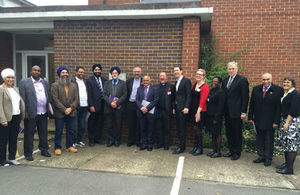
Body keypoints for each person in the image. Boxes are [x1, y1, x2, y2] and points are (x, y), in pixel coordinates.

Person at [248, 73, 283, 166]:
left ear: (271, 80)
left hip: (270, 121)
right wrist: (250, 116)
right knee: (259, 139)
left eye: (267, 79)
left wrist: (276, 121)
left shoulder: (278, 90)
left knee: (269, 140)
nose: (265, 81)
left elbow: (279, 108)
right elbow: (252, 104)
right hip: (258, 119)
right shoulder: (256, 89)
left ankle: (268, 158)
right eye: (263, 79)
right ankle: (261, 156)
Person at [19, 65, 51, 161]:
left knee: (43, 132)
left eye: (38, 70)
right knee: (29, 134)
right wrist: (25, 113)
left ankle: (44, 149)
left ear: (40, 72)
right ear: (31, 71)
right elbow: (22, 99)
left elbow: (47, 95)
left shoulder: (44, 82)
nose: (36, 72)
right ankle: (28, 153)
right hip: (31, 113)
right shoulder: (24, 82)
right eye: (34, 70)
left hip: (43, 112)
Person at [222, 61, 249, 160]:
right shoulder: (225, 81)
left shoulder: (242, 80)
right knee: (229, 132)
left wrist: (243, 111)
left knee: (236, 133)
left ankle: (237, 152)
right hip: (227, 111)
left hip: (237, 112)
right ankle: (231, 150)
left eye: (233, 68)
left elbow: (245, 97)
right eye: (229, 69)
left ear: (237, 69)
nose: (231, 70)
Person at [51, 67, 79, 155]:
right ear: (59, 74)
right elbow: (55, 99)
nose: (65, 74)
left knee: (71, 130)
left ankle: (70, 145)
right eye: (63, 72)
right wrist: (64, 109)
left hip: (72, 112)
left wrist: (71, 108)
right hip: (60, 113)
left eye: (66, 72)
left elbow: (76, 99)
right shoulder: (55, 85)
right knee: (59, 130)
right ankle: (57, 147)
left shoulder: (73, 85)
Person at [0, 68, 25, 166]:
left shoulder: (15, 89)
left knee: (13, 139)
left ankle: (12, 158)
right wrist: (2, 119)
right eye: (8, 77)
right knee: (3, 140)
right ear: (4, 78)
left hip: (16, 117)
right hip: (6, 119)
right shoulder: (1, 89)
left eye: (12, 77)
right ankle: (2, 160)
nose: (10, 79)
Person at [276, 76, 300, 175]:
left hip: (292, 122)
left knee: (291, 145)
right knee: (286, 143)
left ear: (292, 84)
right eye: (284, 82)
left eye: (288, 83)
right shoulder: (286, 93)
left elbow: (294, 109)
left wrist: (287, 122)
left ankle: (289, 169)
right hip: (285, 120)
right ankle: (287, 164)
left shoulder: (295, 94)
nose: (285, 84)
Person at [103, 67, 127, 147]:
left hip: (118, 107)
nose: (114, 74)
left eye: (116, 73)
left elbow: (125, 95)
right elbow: (104, 95)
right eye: (113, 73)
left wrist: (117, 103)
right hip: (108, 107)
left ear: (118, 74)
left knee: (118, 124)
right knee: (109, 125)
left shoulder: (123, 83)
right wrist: (110, 103)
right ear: (111, 74)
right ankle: (110, 140)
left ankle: (117, 140)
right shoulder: (107, 83)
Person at [189, 69, 210, 156]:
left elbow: (202, 101)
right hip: (193, 110)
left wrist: (198, 113)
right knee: (195, 129)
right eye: (197, 74)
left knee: (198, 130)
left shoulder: (205, 87)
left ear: (203, 76)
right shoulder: (194, 84)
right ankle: (195, 147)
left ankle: (200, 149)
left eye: (200, 75)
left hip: (200, 111)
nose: (198, 75)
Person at [86, 64, 107, 146]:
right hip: (93, 106)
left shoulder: (104, 80)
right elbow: (89, 94)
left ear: (101, 71)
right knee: (92, 123)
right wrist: (91, 105)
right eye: (96, 70)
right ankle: (91, 140)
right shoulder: (89, 81)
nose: (97, 71)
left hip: (102, 105)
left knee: (100, 123)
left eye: (99, 70)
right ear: (93, 71)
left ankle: (98, 139)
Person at [136, 75, 158, 151]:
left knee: (150, 129)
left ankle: (150, 144)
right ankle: (143, 144)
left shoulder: (154, 89)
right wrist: (142, 108)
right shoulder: (139, 89)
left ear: (150, 81)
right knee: (143, 129)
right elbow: (137, 100)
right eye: (144, 80)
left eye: (147, 80)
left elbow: (155, 100)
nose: (145, 82)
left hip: (150, 112)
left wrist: (147, 108)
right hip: (141, 112)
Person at [172, 66, 191, 154]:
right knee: (178, 128)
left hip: (183, 109)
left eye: (177, 70)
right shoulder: (176, 82)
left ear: (181, 71)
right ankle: (180, 145)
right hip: (177, 108)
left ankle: (182, 147)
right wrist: (173, 107)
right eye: (174, 71)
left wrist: (187, 107)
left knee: (182, 128)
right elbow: (176, 96)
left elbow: (188, 95)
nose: (176, 72)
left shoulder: (186, 81)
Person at [206, 77, 225, 158]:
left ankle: (218, 152)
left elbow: (220, 107)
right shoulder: (212, 91)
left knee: (217, 134)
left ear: (219, 83)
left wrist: (216, 118)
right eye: (213, 81)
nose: (213, 82)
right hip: (210, 116)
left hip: (216, 117)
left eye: (216, 81)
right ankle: (214, 150)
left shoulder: (221, 92)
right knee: (213, 134)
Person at [155, 72, 174, 150]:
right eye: (160, 76)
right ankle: (159, 143)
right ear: (159, 78)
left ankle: (166, 144)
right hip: (158, 111)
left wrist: (173, 108)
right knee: (158, 128)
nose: (162, 77)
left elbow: (173, 99)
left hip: (167, 111)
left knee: (167, 128)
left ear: (166, 77)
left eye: (163, 76)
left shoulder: (171, 87)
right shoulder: (156, 87)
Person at [71, 66, 88, 147]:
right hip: (76, 106)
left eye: (83, 72)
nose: (82, 74)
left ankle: (79, 140)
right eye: (80, 72)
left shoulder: (85, 81)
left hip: (85, 106)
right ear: (76, 72)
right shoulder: (72, 81)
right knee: (74, 125)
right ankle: (73, 141)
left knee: (82, 124)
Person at [126, 67, 143, 147]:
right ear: (133, 72)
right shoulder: (129, 81)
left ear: (140, 72)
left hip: (140, 105)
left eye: (138, 72)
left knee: (139, 123)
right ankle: (130, 140)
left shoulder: (144, 81)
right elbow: (126, 93)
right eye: (135, 72)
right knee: (130, 123)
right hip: (130, 104)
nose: (137, 73)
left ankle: (138, 141)